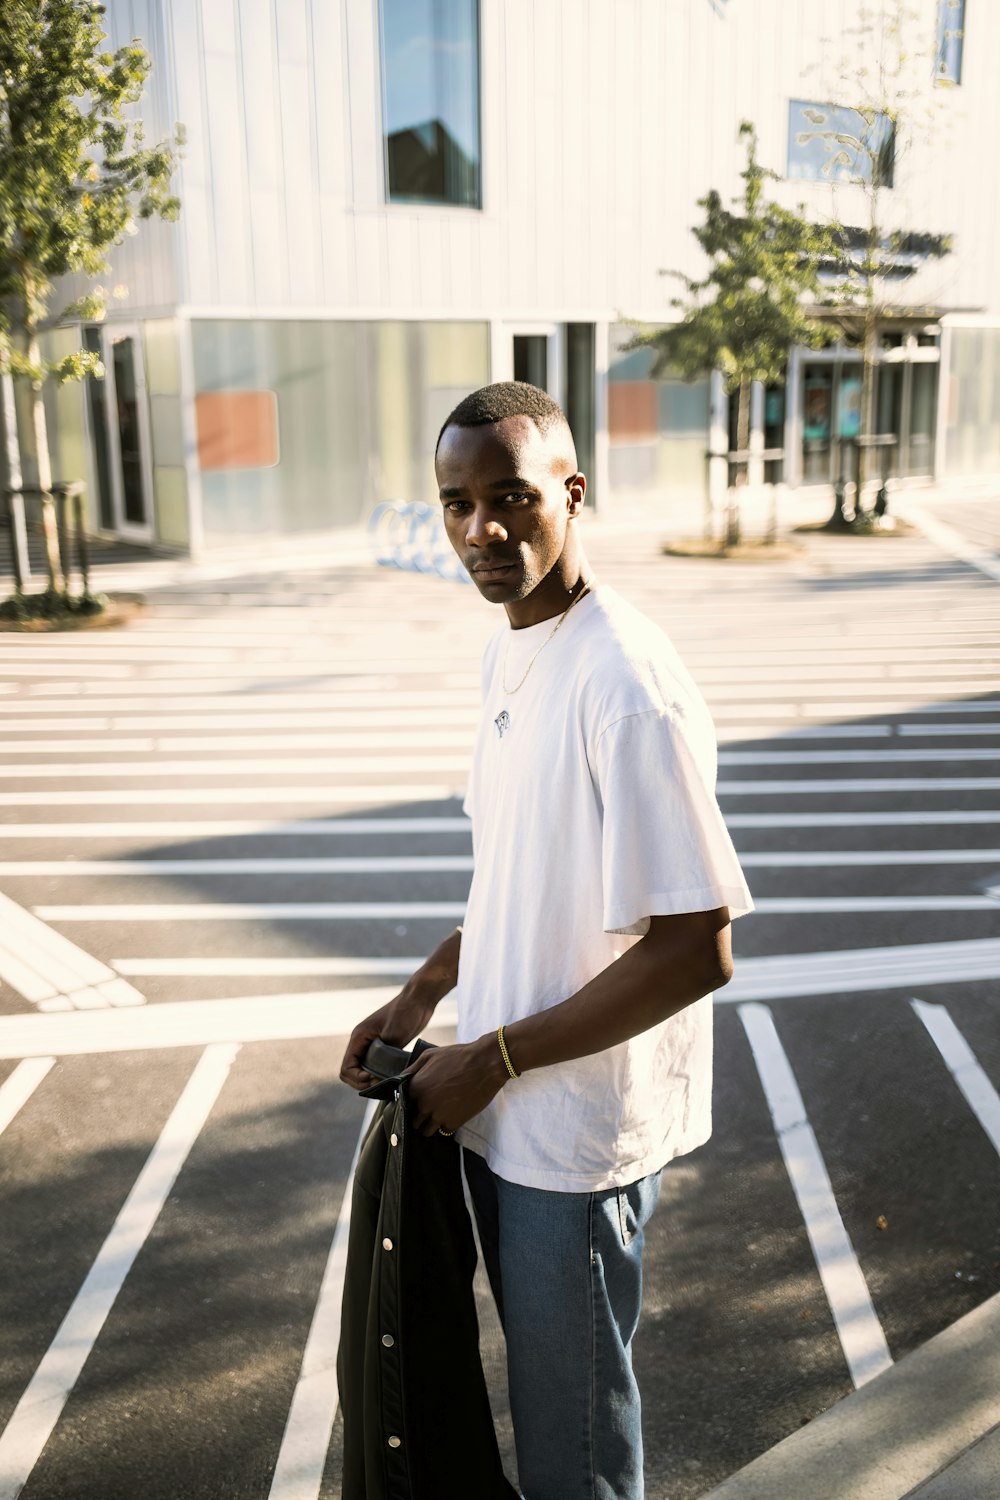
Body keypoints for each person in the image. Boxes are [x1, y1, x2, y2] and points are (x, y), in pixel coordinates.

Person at [341, 380, 753, 1500]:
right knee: (524, 1421)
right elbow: (521, 872)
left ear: (572, 494)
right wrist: (425, 995)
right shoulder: (514, 650)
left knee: (571, 1453)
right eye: (457, 502)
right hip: (500, 1105)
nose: (483, 529)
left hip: (569, 1136)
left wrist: (494, 1057)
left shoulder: (623, 680)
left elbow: (695, 946)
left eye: (512, 498)